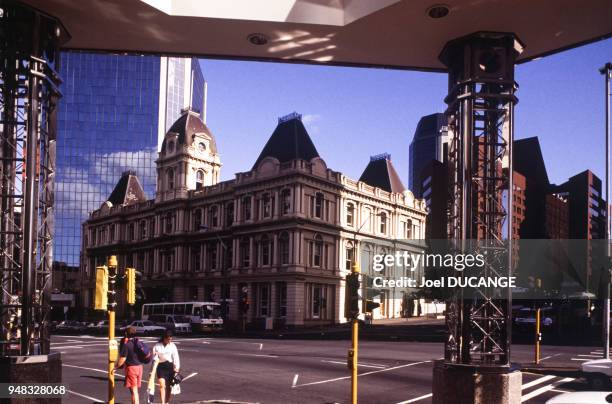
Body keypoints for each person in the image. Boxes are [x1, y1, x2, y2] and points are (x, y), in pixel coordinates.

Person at [117, 326, 143, 404]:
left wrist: (116, 367)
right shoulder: (138, 342)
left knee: (134, 391)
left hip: (132, 368)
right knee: (134, 391)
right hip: (139, 367)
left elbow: (123, 359)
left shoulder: (127, 344)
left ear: (126, 333)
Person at [153, 329, 181, 403]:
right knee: (162, 386)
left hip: (170, 367)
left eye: (171, 338)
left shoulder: (172, 345)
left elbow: (176, 357)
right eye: (168, 338)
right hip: (160, 367)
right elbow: (154, 357)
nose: (170, 340)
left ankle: (167, 402)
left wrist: (177, 368)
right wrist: (152, 370)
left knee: (169, 387)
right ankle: (162, 402)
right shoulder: (157, 345)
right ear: (164, 338)